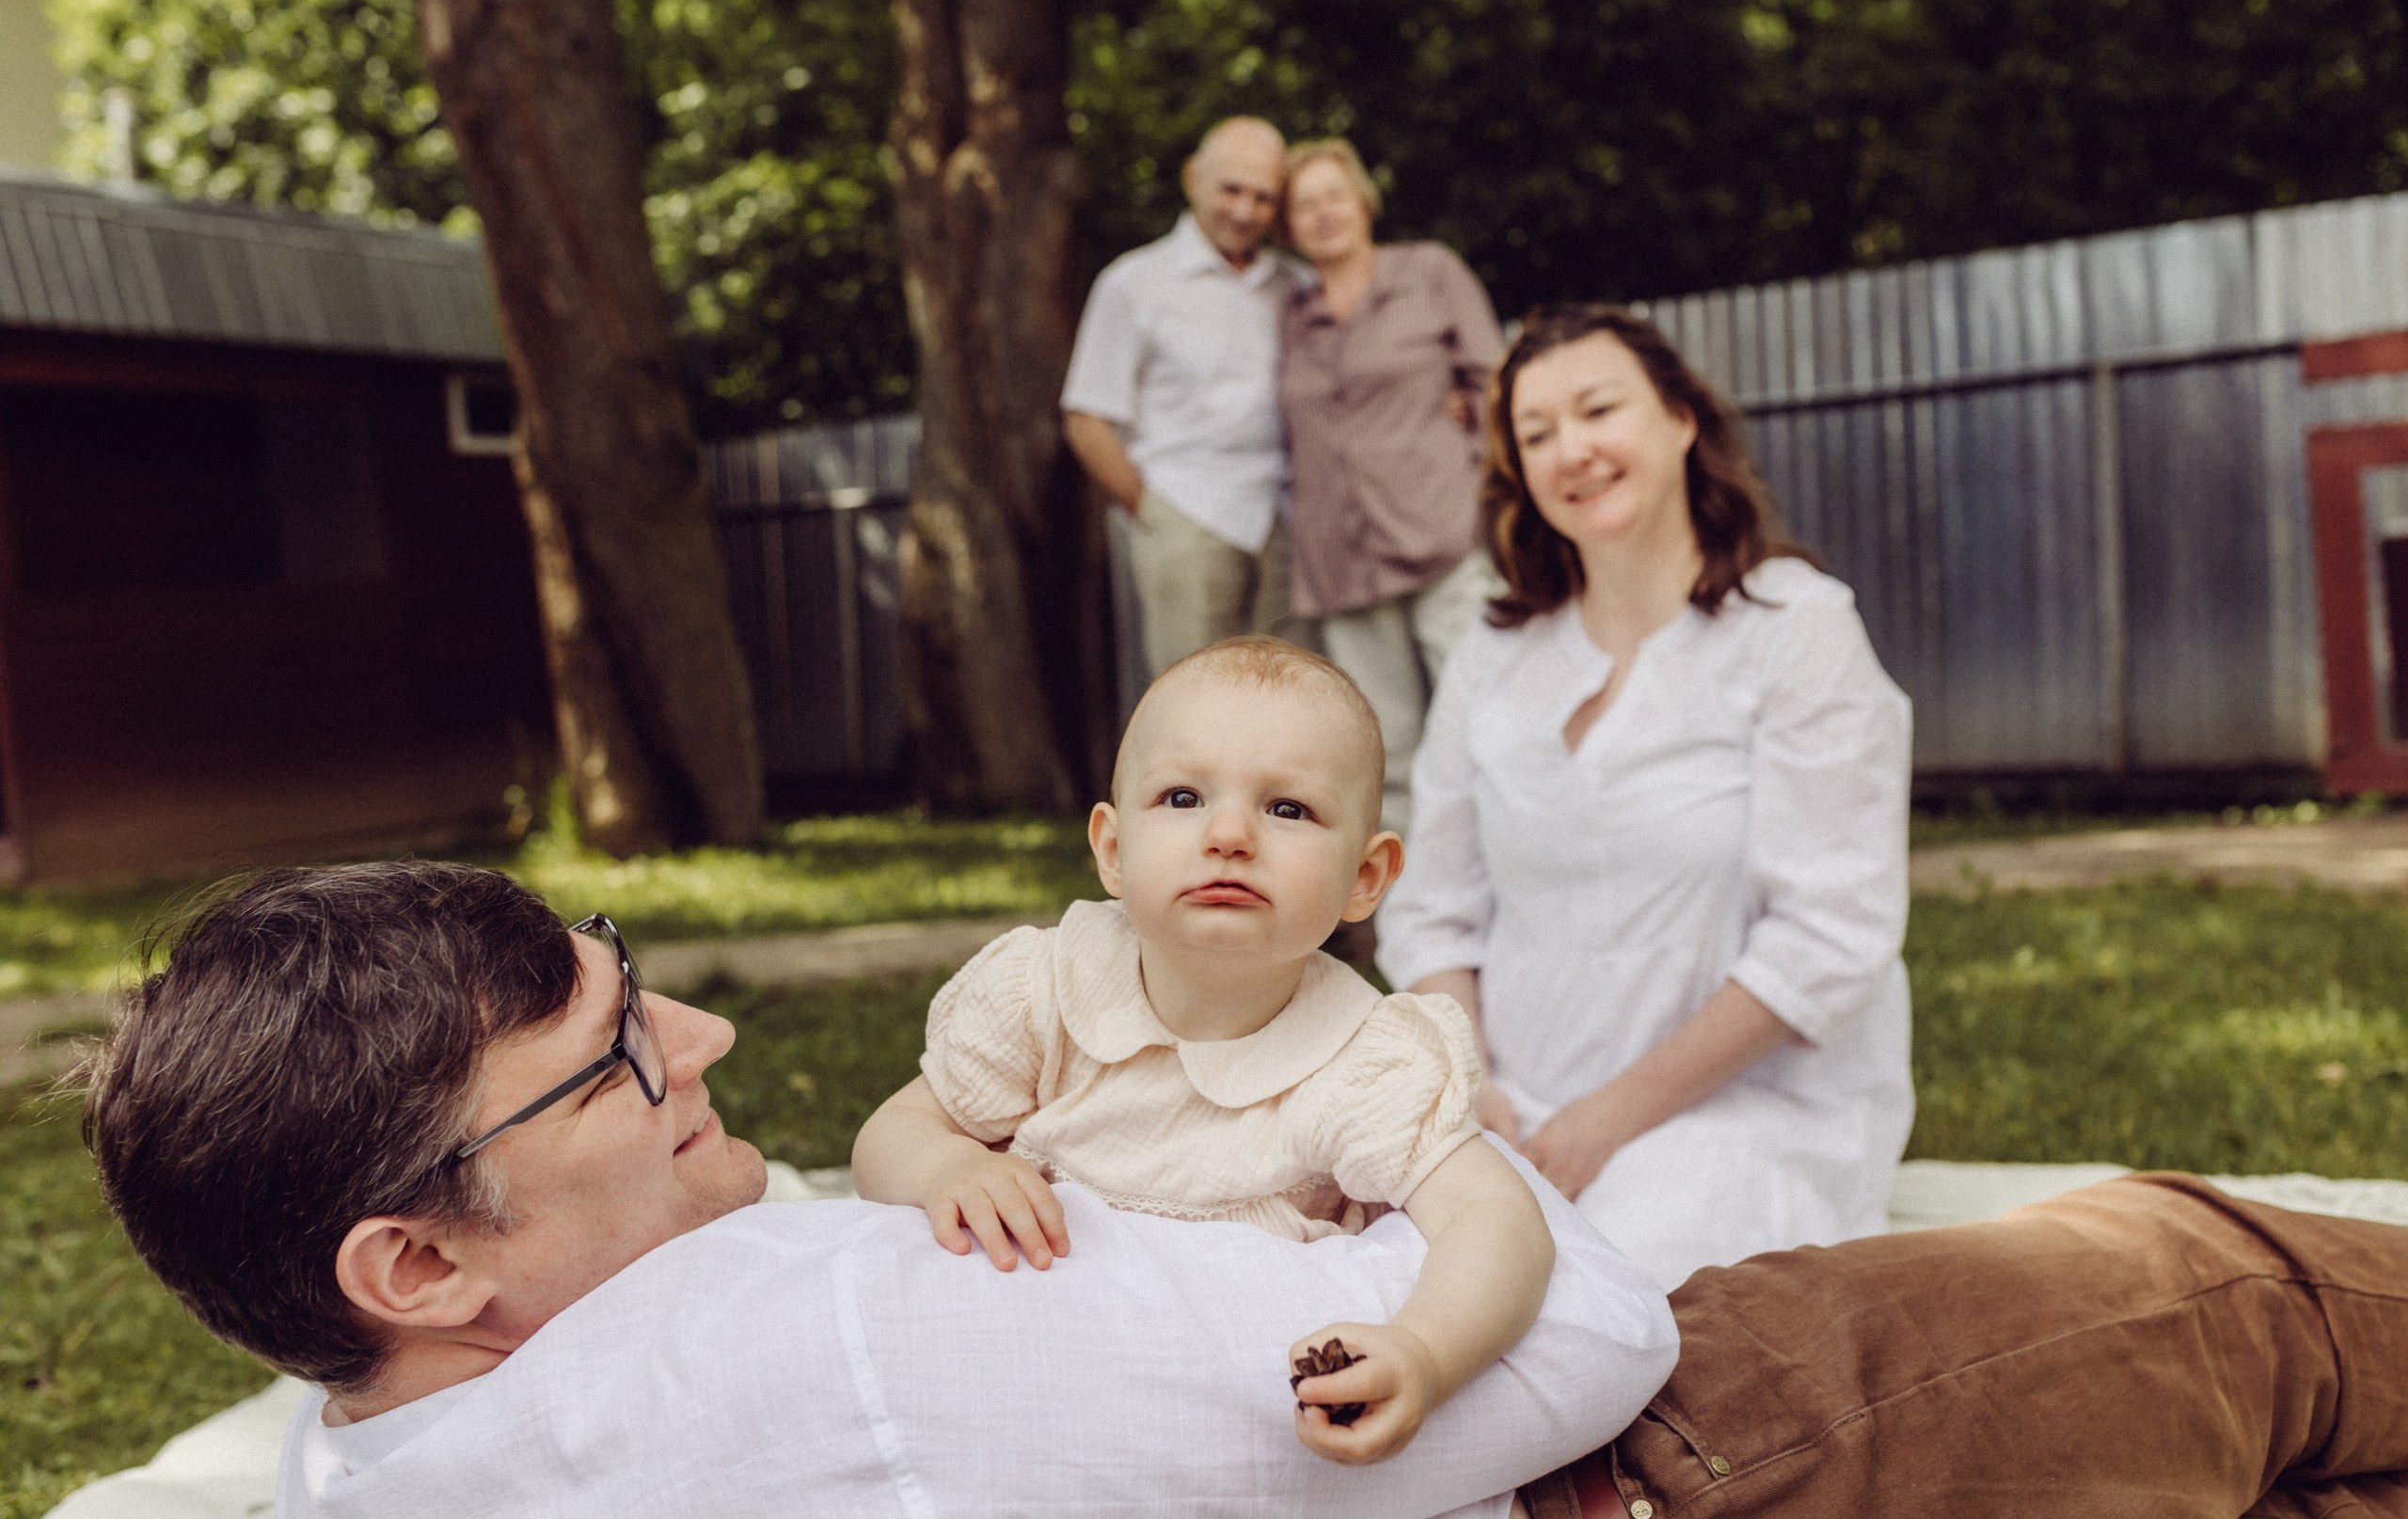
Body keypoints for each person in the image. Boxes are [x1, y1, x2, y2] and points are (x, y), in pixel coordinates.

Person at [80, 862, 2408, 1518]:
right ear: (422, 1251)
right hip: (1689, 1439)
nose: (701, 1040)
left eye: (651, 982)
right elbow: (1583, 1336)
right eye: (615, 1049)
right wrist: (1441, 1166)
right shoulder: (847, 1329)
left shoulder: (355, 1449)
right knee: (2226, 1281)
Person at [849, 637, 1555, 1464]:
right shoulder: (1047, 991)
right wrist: (943, 1168)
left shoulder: (1365, 1062)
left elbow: (1497, 1219)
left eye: (1286, 809)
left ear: (1366, 878)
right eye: (1182, 796)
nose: (1228, 834)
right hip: (1034, 1386)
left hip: (1226, 1419)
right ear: (1113, 849)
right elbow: (887, 1134)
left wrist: (1427, 1351)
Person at [1379, 304, 1914, 1291]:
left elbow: (1829, 940)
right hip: (1508, 1108)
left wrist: (1606, 1121)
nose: (1570, 450)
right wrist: (1473, 1088)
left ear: (1680, 421)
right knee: (1382, 1286)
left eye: (1596, 410)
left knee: (1588, 1296)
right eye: (1535, 435)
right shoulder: (1494, 656)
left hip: (1734, 1120)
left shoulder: (1795, 629)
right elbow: (1432, 913)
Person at [1278, 137, 1506, 831]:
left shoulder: (1430, 272)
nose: (1323, 215)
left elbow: (1493, 385)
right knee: (1385, 750)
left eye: (1334, 197)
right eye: (1304, 206)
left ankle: (1516, 909)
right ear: (1289, 226)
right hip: (1341, 556)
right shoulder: (1291, 314)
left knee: (1489, 721)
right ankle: (1408, 926)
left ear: (1364, 203)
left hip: (1441, 532)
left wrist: (1478, 479)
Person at [1061, 117, 1306, 678]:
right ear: (1194, 178)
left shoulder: (1293, 285)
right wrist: (1154, 510)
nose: (1245, 211)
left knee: (1287, 699)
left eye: (1265, 198)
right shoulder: (1134, 282)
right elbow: (1086, 419)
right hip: (1188, 513)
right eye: (1231, 190)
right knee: (1194, 697)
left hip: (1286, 520)